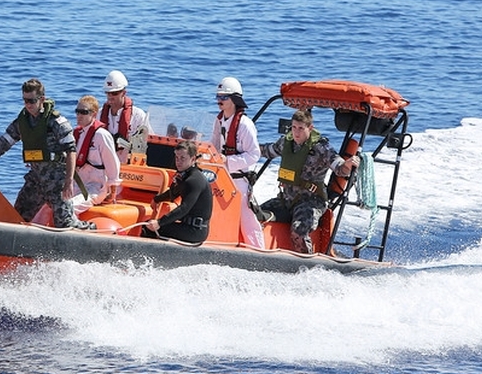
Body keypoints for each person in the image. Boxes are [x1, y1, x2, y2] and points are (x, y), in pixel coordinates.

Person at [0, 78, 94, 230]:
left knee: (65, 224)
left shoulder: (56, 122)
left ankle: (91, 229)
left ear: (42, 99)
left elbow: (71, 150)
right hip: (35, 181)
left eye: (32, 101)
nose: (28, 105)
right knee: (16, 217)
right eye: (25, 100)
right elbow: (2, 144)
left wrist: (68, 182)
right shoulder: (22, 121)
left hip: (56, 182)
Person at [259, 109, 360, 254]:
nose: (296, 133)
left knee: (299, 231)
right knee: (254, 214)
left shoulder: (321, 148)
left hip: (311, 203)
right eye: (294, 127)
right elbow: (267, 151)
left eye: (301, 128)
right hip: (286, 200)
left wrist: (348, 165)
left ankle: (307, 266)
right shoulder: (286, 142)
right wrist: (244, 147)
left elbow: (339, 168)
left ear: (310, 128)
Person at [210, 77, 265, 248]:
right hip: (220, 178)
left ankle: (259, 253)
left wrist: (229, 161)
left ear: (234, 99)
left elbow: (254, 154)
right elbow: (214, 147)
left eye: (224, 97)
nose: (219, 100)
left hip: (239, 181)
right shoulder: (218, 121)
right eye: (218, 96)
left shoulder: (245, 125)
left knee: (247, 220)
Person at [141, 140, 213, 244]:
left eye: (182, 158)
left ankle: (146, 258)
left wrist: (159, 223)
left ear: (193, 159)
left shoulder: (194, 180)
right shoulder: (184, 176)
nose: (178, 162)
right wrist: (156, 199)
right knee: (149, 224)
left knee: (149, 228)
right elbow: (173, 193)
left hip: (195, 230)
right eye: (177, 158)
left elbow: (184, 208)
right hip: (187, 226)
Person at [70, 95, 122, 214]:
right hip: (76, 185)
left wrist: (112, 191)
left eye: (83, 112)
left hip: (94, 188)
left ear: (94, 114)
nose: (79, 115)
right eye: (77, 112)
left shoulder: (101, 135)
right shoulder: (76, 134)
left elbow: (112, 164)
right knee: (51, 203)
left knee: (69, 207)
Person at [99, 70, 152, 164]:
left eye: (115, 93)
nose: (110, 96)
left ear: (123, 93)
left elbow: (150, 141)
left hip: (129, 165)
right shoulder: (99, 114)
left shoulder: (138, 116)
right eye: (107, 93)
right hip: (105, 164)